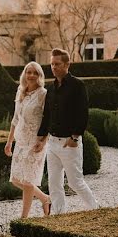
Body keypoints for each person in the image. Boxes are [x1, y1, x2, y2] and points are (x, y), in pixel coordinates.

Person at [34, 48, 98, 214]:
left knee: (75, 182)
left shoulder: (78, 85)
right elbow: (47, 115)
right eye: (52, 64)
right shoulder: (51, 88)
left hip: (69, 143)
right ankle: (59, 214)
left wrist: (75, 137)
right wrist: (41, 138)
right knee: (54, 183)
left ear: (67, 64)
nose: (53, 67)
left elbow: (83, 112)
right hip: (52, 144)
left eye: (57, 64)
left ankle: (96, 210)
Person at [4, 61, 52, 218]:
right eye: (28, 72)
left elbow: (49, 120)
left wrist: (44, 141)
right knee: (16, 179)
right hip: (21, 141)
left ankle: (23, 218)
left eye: (35, 73)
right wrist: (9, 141)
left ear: (40, 76)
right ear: (24, 74)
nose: (31, 75)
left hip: (35, 142)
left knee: (28, 180)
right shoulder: (20, 91)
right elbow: (15, 119)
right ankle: (45, 198)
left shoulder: (43, 94)